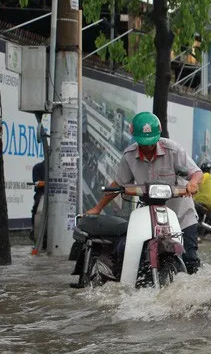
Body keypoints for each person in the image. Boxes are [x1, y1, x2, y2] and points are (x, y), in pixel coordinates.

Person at [86, 111, 203, 274]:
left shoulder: (173, 150)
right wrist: (98, 208)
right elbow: (118, 183)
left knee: (190, 260)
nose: (148, 147)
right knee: (137, 256)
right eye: (143, 143)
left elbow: (196, 172)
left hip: (181, 216)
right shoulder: (129, 156)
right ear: (134, 136)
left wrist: (193, 183)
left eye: (151, 143)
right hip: (150, 218)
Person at [30, 159, 46, 242]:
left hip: (58, 193)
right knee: (37, 203)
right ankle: (34, 229)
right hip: (42, 192)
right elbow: (37, 182)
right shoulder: (38, 167)